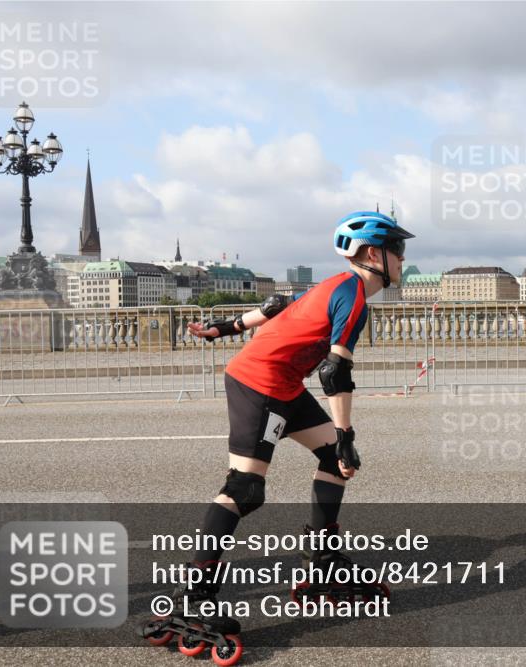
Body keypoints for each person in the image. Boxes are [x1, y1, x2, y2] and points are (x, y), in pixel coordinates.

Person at [142, 211, 412, 654]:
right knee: (245, 489)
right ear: (371, 254)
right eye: (396, 249)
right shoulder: (352, 297)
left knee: (333, 461)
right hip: (258, 382)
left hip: (283, 384)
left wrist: (224, 328)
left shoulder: (338, 286)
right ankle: (194, 594)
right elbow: (334, 372)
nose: (402, 257)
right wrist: (345, 434)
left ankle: (322, 558)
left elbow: (277, 306)